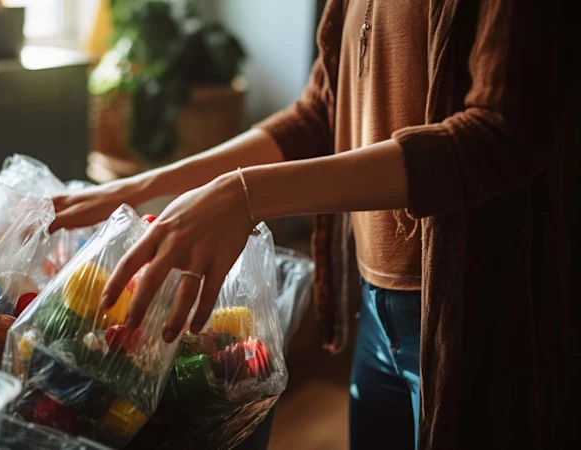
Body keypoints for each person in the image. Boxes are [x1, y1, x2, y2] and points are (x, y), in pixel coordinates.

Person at [51, 0, 576, 449]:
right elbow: (320, 115)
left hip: (478, 313)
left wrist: (246, 196)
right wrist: (149, 185)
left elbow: (502, 133)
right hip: (377, 313)